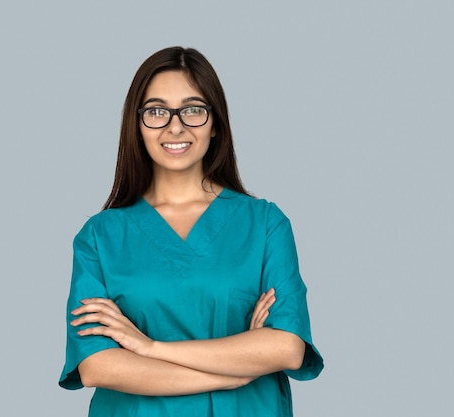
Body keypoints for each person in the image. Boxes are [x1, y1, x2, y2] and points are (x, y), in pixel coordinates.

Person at [58, 46, 324, 416]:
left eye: (193, 109)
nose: (175, 125)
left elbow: (287, 348)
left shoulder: (264, 224)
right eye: (156, 111)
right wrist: (232, 372)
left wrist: (151, 349)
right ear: (137, 126)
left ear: (216, 123)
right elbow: (97, 366)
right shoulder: (100, 237)